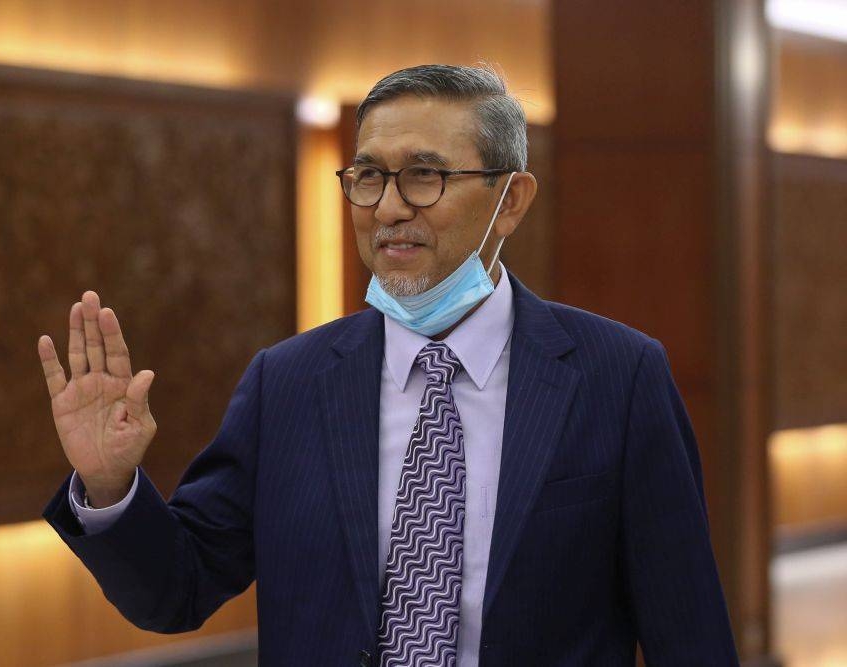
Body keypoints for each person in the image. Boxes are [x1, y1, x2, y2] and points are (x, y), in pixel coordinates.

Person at [39, 64, 739, 666]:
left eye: (425, 175)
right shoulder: (289, 383)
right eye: (369, 176)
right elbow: (176, 590)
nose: (389, 208)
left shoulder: (617, 377)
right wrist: (109, 485)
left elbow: (688, 634)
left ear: (510, 201)